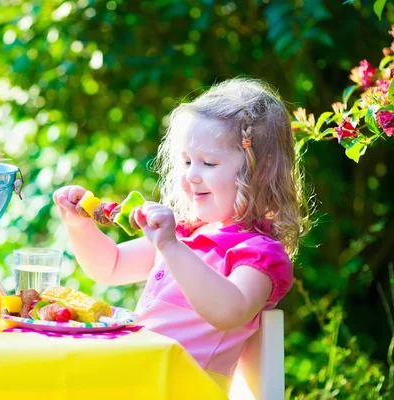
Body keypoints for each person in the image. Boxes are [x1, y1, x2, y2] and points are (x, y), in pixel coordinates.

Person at [52, 77, 311, 393]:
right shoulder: (187, 234)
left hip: (184, 388)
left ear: (258, 170)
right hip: (140, 378)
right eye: (186, 161)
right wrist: (80, 226)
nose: (190, 175)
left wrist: (172, 248)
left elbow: (230, 311)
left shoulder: (257, 253)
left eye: (209, 162)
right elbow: (112, 265)